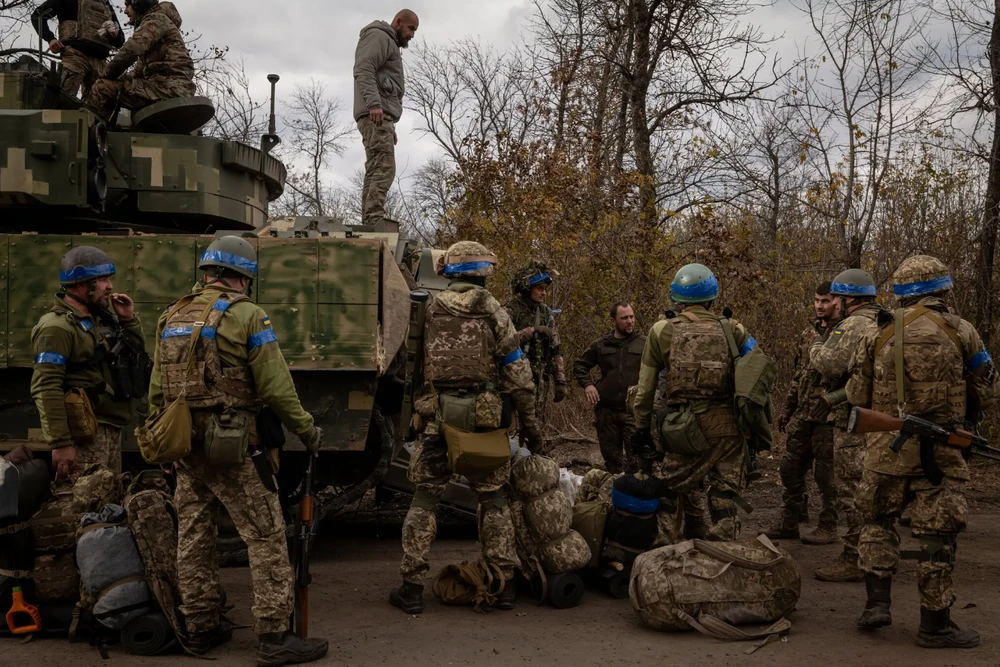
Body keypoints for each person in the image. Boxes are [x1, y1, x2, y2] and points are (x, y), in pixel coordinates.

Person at [148, 236, 328, 665]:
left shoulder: (172, 314)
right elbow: (275, 387)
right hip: (233, 445)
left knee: (193, 533)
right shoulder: (248, 315)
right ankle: (273, 635)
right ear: (243, 276)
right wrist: (307, 429)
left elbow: (158, 390)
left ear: (208, 271)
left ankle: (201, 626)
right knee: (265, 535)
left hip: (185, 444)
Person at [848, 256, 996, 648]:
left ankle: (876, 604)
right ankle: (935, 625)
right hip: (943, 451)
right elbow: (986, 391)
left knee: (877, 523)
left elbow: (855, 396)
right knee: (937, 537)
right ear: (943, 289)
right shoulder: (963, 331)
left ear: (899, 292)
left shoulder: (877, 333)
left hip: (884, 452)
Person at [390, 241, 542, 615]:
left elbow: (412, 366)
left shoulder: (428, 310)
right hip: (485, 420)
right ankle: (503, 584)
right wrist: (533, 427)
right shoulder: (496, 313)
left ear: (450, 272)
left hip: (438, 418)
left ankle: (411, 587)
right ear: (482, 273)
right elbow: (519, 375)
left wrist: (411, 416)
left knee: (425, 497)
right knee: (493, 499)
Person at [631, 264, 758, 543]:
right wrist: (756, 428)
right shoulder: (735, 330)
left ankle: (663, 552)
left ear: (676, 299)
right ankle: (723, 558)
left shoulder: (662, 330)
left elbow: (645, 389)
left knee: (667, 489)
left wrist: (641, 428)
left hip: (684, 430)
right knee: (725, 493)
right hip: (729, 430)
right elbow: (758, 376)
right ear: (712, 298)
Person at [30, 246, 144, 479]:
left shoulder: (101, 319)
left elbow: (135, 357)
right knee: (81, 508)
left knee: (107, 508)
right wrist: (61, 443)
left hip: (109, 430)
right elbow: (46, 386)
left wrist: (128, 321)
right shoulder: (57, 327)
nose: (110, 286)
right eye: (103, 280)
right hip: (84, 434)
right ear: (82, 285)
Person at [809, 269, 882, 582]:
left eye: (838, 297)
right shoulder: (887, 319)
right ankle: (876, 552)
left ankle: (855, 557)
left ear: (848, 298)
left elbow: (830, 363)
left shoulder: (854, 323)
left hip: (854, 419)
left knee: (852, 489)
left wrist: (815, 347)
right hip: (882, 418)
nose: (835, 303)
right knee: (876, 487)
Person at [765, 282, 841, 543]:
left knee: (826, 474)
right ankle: (789, 521)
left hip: (829, 417)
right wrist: (788, 408)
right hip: (803, 414)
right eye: (817, 300)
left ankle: (828, 525)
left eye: (825, 301)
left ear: (837, 302)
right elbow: (800, 376)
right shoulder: (808, 333)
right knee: (790, 467)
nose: (820, 306)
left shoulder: (845, 332)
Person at [353, 9, 419, 226]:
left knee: (376, 166)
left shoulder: (388, 42)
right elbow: (363, 68)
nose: (412, 35)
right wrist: (374, 105)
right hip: (375, 114)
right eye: (411, 28)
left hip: (381, 118)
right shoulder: (380, 36)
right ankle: (374, 221)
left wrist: (390, 125)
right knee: (384, 168)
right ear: (398, 22)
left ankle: (370, 221)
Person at [88, 0, 195, 121]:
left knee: (101, 88)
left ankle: (95, 135)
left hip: (168, 88)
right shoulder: (158, 23)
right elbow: (138, 71)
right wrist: (119, 80)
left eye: (128, 6)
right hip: (169, 88)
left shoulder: (155, 20)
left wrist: (105, 76)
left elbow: (129, 52)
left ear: (138, 4)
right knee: (115, 86)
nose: (125, 11)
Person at [573, 302, 646, 474]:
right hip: (607, 412)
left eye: (631, 317)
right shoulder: (601, 345)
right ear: (613, 320)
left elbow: (660, 369)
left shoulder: (645, 344)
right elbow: (579, 365)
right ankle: (611, 495)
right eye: (624, 318)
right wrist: (588, 385)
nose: (629, 321)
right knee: (612, 462)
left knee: (637, 462)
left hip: (633, 412)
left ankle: (635, 495)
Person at [505, 262, 568, 441]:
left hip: (539, 377)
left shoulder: (547, 313)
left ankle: (532, 458)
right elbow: (503, 343)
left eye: (545, 288)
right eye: (539, 288)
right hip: (514, 378)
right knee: (511, 423)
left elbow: (556, 349)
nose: (544, 292)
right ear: (527, 288)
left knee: (535, 423)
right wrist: (531, 331)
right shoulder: (511, 310)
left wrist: (560, 381)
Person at [30, 0, 124, 100]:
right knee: (63, 98)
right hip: (75, 55)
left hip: (100, 61)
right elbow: (38, 16)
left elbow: (120, 40)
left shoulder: (105, 4)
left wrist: (114, 36)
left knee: (100, 106)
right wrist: (50, 39)